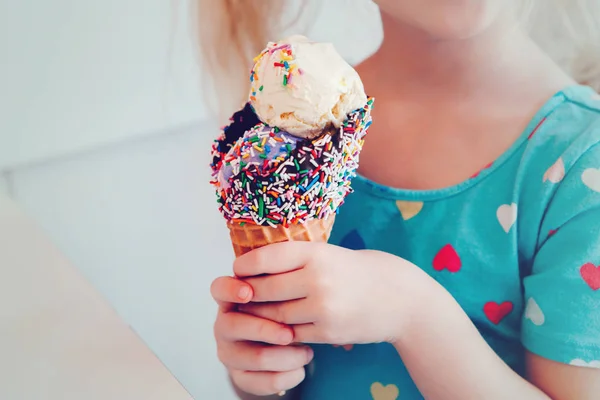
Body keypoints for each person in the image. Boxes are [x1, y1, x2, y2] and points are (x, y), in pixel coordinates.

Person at [201, 1, 600, 399]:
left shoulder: (583, 162)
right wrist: (259, 370)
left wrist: (413, 315)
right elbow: (287, 374)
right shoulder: (297, 123)